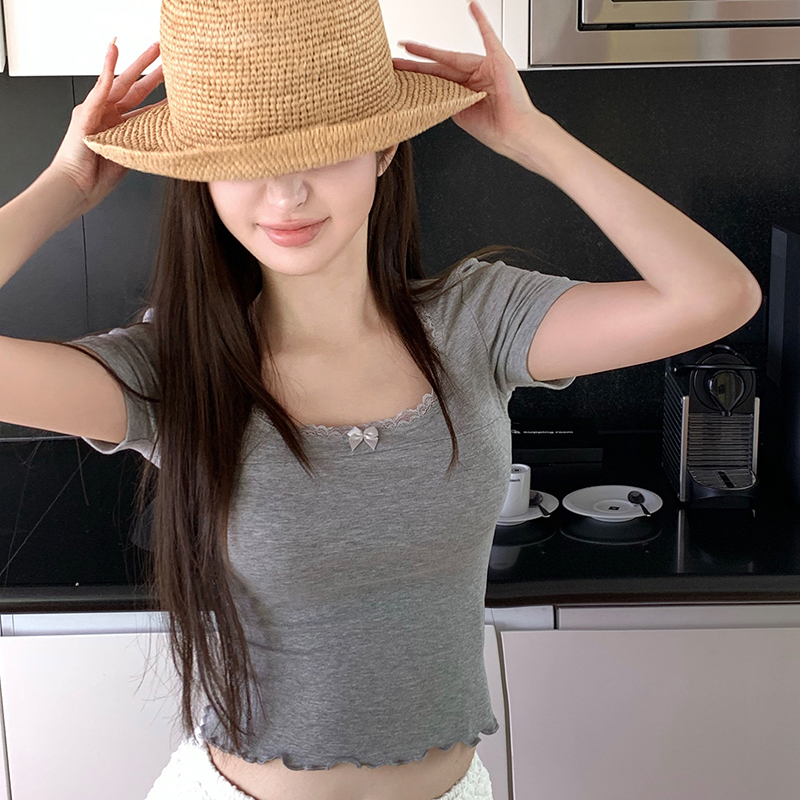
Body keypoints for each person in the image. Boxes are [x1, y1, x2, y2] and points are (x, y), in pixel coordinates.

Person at [0, 0, 761, 798]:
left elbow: (717, 297)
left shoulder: (477, 322)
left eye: (324, 150)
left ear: (385, 146)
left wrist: (537, 139)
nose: (286, 194)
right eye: (244, 160)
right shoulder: (176, 371)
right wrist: (63, 186)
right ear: (202, 178)